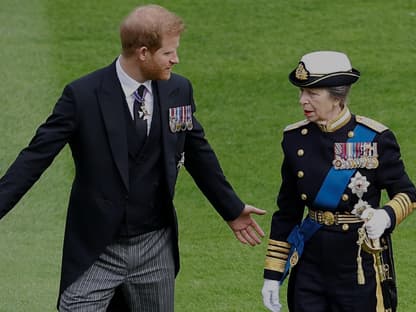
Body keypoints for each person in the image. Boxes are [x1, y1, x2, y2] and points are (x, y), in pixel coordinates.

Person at [0, 4, 266, 312]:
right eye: (168, 53)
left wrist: (231, 209)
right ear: (143, 52)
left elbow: (197, 150)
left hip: (155, 246)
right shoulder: (83, 96)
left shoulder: (178, 90)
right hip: (96, 249)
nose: (176, 60)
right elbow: (35, 158)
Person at [261, 51, 416, 312]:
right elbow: (287, 211)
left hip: (358, 263)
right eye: (301, 92)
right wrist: (273, 274)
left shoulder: (374, 138)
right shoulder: (295, 139)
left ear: (337, 96)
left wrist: (387, 216)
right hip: (309, 263)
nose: (303, 100)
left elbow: (408, 193)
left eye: (312, 93)